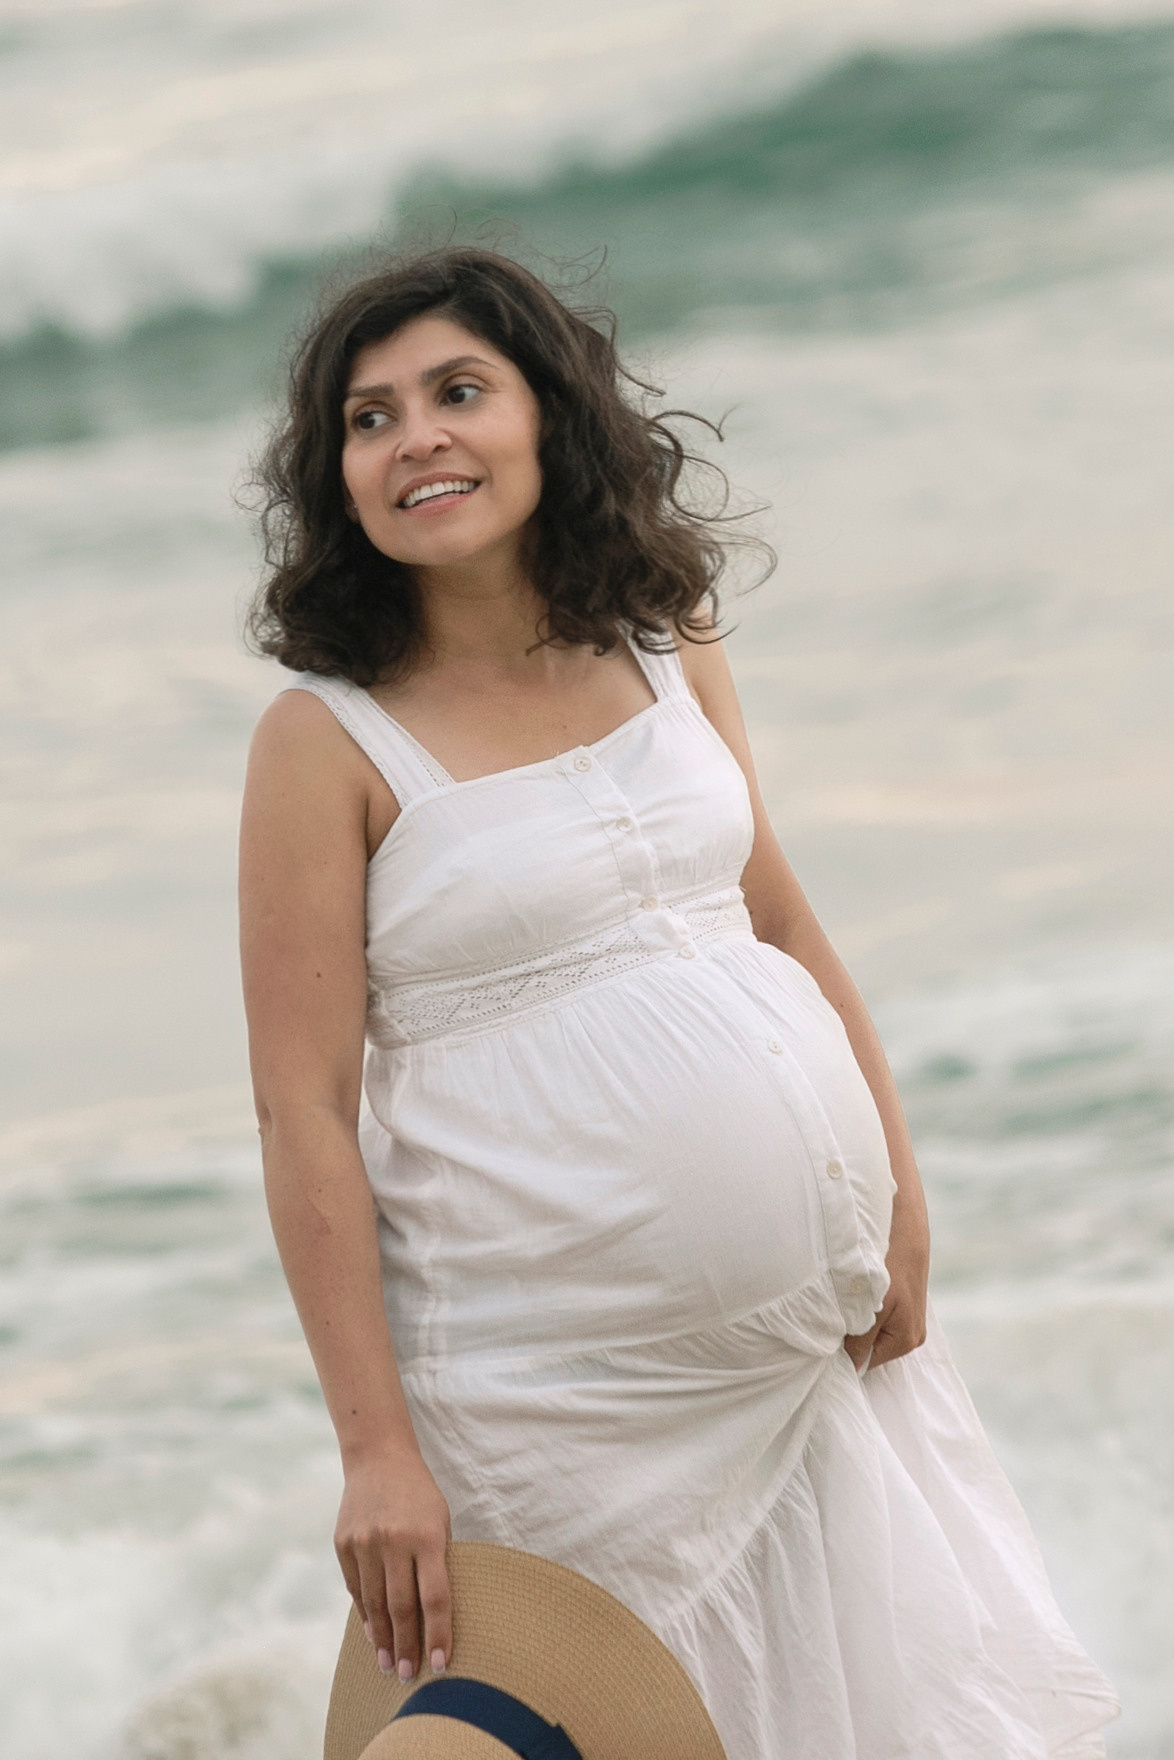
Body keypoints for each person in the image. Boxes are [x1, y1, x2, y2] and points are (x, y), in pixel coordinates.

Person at [238, 246, 1118, 1759]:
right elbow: (301, 1109)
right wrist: (375, 1450)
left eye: (460, 391)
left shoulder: (666, 638)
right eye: (369, 419)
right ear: (340, 480)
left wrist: (896, 1196)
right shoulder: (324, 742)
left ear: (549, 419)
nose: (416, 438)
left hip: (801, 1386)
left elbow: (773, 916)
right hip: (547, 1412)